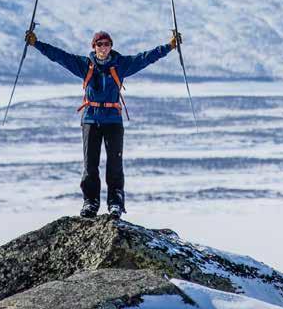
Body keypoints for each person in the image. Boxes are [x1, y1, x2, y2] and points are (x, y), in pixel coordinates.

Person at [25, 28, 181, 218]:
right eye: (100, 44)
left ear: (111, 46)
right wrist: (36, 43)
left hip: (113, 121)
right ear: (94, 46)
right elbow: (60, 56)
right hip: (90, 119)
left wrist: (169, 46)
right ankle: (90, 202)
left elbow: (145, 58)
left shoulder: (121, 64)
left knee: (115, 164)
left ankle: (115, 203)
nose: (103, 48)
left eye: (107, 44)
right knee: (90, 165)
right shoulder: (85, 65)